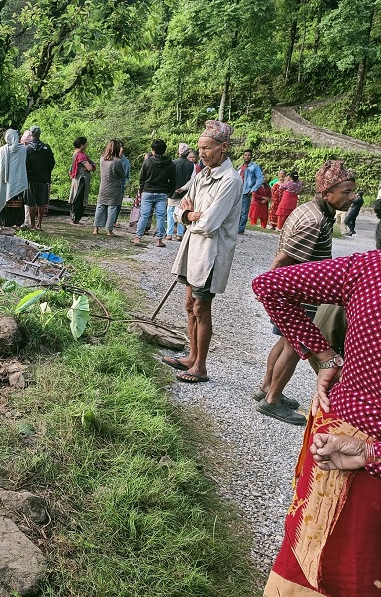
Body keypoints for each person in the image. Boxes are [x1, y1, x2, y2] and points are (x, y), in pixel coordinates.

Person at [251, 200, 381, 597]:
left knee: (315, 563)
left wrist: (323, 354)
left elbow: (268, 284)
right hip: (348, 454)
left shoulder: (369, 270)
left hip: (339, 440)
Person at [254, 161, 357, 425]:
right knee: (295, 346)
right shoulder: (315, 220)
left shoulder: (310, 210)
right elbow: (282, 260)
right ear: (326, 193)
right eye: (346, 192)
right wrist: (270, 290)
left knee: (284, 342)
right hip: (299, 297)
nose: (352, 197)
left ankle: (267, 386)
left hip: (292, 293)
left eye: (352, 191)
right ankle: (273, 400)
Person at [162, 120, 243, 383]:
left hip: (211, 253)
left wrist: (191, 215)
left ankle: (201, 366)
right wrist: (190, 214)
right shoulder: (201, 175)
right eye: (200, 148)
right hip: (192, 248)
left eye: (208, 148)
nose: (203, 153)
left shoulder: (229, 180)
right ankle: (191, 356)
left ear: (224, 148)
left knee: (201, 307)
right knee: (189, 305)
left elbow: (210, 224)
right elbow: (178, 211)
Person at [132, 139, 175, 247]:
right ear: (164, 150)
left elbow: (142, 178)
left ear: (153, 150)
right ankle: (159, 240)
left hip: (148, 191)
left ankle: (138, 237)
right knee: (160, 216)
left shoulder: (148, 161)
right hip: (162, 192)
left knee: (144, 215)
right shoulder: (170, 163)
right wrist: (169, 192)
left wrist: (141, 189)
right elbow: (173, 180)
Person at [0, 129, 28, 230]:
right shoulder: (24, 149)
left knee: (5, 201)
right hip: (18, 183)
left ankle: (4, 222)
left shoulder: (3, 150)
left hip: (5, 183)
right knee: (18, 202)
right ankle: (18, 223)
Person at [93, 139, 127, 236]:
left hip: (103, 186)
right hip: (114, 187)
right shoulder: (117, 161)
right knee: (112, 208)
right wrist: (120, 157)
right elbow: (122, 174)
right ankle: (109, 230)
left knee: (100, 206)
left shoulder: (102, 158)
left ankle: (96, 228)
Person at [24, 126, 55, 231]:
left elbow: (25, 163)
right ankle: (40, 224)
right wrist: (46, 172)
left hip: (31, 178)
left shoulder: (28, 148)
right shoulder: (46, 148)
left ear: (32, 134)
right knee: (41, 202)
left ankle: (32, 225)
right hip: (43, 178)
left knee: (31, 203)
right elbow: (52, 163)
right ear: (39, 134)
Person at [167, 143, 196, 241]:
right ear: (187, 152)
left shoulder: (172, 163)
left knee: (170, 213)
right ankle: (179, 234)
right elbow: (192, 180)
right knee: (182, 212)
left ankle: (169, 234)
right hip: (185, 194)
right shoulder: (192, 165)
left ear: (178, 152)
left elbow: (168, 178)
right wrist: (183, 188)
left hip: (172, 193)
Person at [69, 137, 95, 225]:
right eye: (85, 143)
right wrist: (92, 165)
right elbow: (89, 167)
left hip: (76, 178)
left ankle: (73, 218)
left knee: (75, 197)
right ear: (81, 145)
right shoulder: (81, 155)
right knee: (80, 198)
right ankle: (76, 219)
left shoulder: (75, 153)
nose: (86, 145)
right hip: (81, 179)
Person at [237, 149, 264, 235]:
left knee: (244, 211)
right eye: (245, 155)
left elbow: (260, 179)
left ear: (251, 156)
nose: (247, 157)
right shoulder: (239, 167)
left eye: (248, 155)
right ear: (243, 156)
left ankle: (241, 229)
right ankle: (234, 227)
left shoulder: (255, 167)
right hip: (237, 191)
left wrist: (253, 189)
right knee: (236, 210)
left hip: (246, 191)